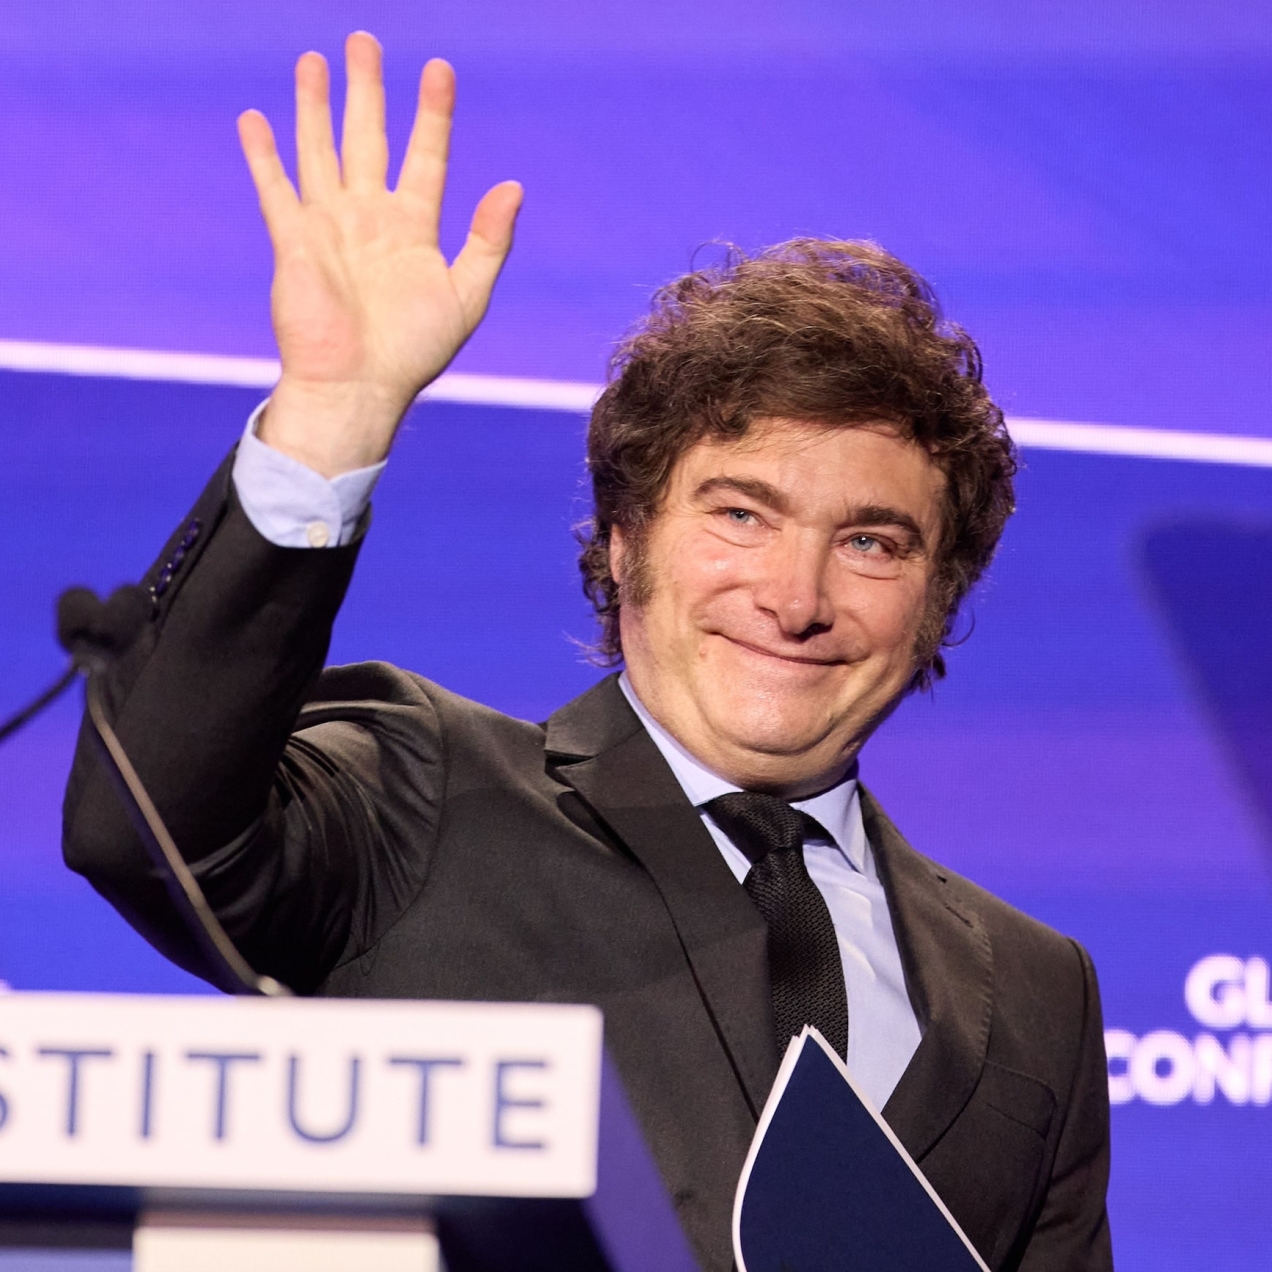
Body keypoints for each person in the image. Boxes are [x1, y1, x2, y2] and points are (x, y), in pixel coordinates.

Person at [62, 33, 1112, 1272]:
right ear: (622, 544)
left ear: (939, 598)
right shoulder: (425, 795)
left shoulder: (1040, 990)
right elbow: (150, 830)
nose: (795, 595)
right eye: (740, 514)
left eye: (874, 543)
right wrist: (331, 420)